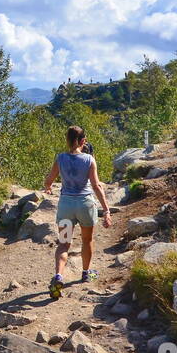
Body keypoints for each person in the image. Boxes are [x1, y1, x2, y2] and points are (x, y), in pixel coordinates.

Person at [43, 125, 111, 299]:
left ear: (67, 140)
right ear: (83, 141)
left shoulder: (60, 158)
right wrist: (106, 210)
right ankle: (86, 272)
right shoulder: (89, 159)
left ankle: (58, 276)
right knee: (87, 240)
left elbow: (49, 180)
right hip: (85, 205)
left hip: (66, 206)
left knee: (64, 243)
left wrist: (49, 187)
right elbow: (96, 186)